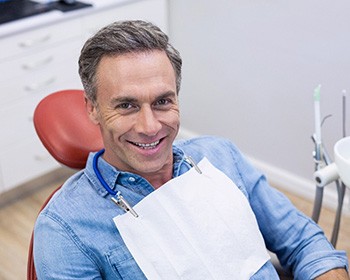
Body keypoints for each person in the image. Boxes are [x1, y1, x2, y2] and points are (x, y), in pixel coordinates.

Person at [33, 20, 349, 279]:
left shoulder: (221, 156)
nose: (150, 126)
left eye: (162, 102)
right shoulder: (65, 228)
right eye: (127, 105)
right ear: (92, 109)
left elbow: (303, 240)